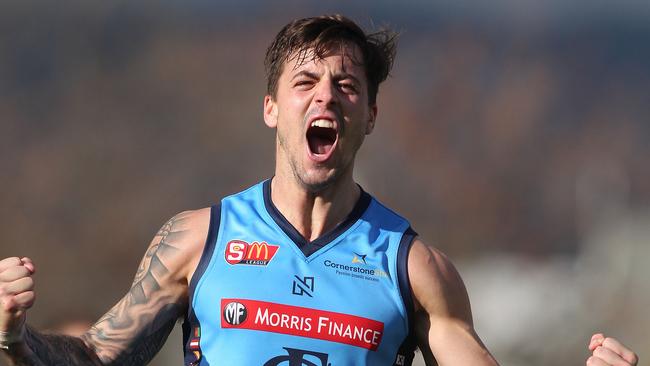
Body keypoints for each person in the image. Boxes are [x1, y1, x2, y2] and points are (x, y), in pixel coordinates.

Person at [0, 14, 639, 366]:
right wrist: (15, 339)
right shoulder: (199, 240)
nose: (325, 95)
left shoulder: (413, 267)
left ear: (370, 115)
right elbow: (93, 358)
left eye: (347, 85)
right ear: (272, 107)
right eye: (304, 82)